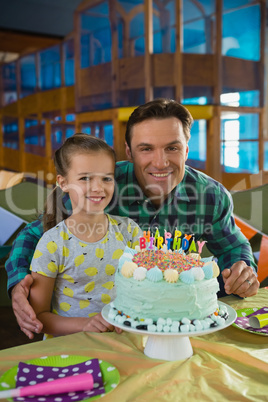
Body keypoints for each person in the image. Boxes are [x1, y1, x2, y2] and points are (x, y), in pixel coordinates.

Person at [5, 98, 259, 339]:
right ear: (129, 152)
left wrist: (241, 270)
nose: (160, 162)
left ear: (186, 149)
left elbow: (234, 247)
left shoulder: (210, 196)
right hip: (96, 330)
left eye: (172, 147)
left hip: (173, 323)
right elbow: (35, 235)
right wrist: (19, 283)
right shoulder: (99, 185)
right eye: (146, 149)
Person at [28, 134, 142, 337]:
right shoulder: (52, 243)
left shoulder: (130, 231)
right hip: (71, 348)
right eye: (85, 178)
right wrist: (85, 324)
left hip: (123, 340)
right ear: (63, 183)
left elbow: (145, 288)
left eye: (106, 178)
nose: (98, 187)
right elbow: (39, 317)